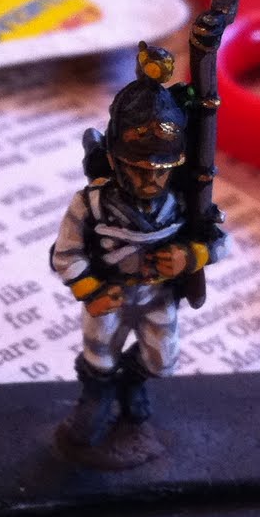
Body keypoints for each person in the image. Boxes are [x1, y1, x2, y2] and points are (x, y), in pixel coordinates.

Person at [51, 44, 217, 465]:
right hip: (109, 294)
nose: (149, 181)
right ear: (114, 159)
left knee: (162, 361)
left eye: (160, 171)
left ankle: (132, 383)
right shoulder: (90, 204)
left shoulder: (184, 200)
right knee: (99, 358)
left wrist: (191, 256)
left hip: (158, 294)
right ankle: (97, 398)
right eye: (138, 169)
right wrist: (91, 290)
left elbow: (218, 241)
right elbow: (65, 254)